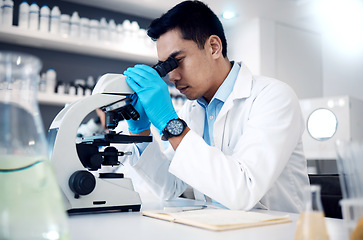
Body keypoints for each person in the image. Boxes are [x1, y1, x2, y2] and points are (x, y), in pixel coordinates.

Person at [122, 0, 310, 213]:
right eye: (165, 66)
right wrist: (140, 134)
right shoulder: (193, 111)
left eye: (177, 60)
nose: (172, 76)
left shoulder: (273, 97)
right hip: (218, 229)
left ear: (213, 47)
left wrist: (170, 123)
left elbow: (243, 191)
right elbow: (170, 187)